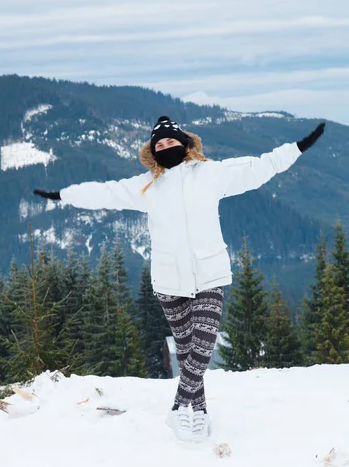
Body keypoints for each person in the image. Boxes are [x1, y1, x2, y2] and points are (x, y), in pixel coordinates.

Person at [33, 115, 325, 443]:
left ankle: (177, 408)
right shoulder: (146, 186)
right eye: (159, 144)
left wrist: (298, 147)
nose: (166, 147)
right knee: (186, 353)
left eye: (171, 141)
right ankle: (198, 413)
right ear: (153, 153)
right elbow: (106, 193)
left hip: (209, 274)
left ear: (185, 143)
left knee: (202, 345)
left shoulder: (212, 174)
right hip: (170, 283)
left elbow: (258, 167)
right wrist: (64, 195)